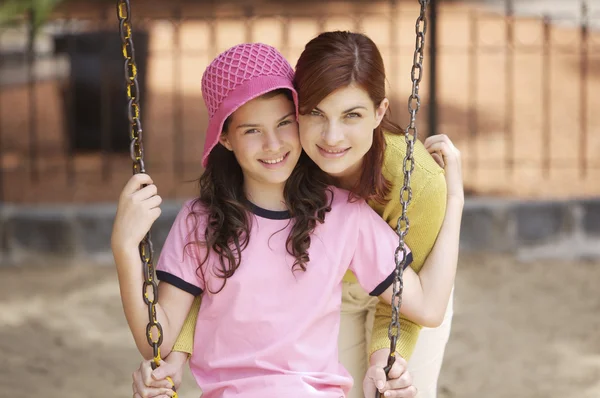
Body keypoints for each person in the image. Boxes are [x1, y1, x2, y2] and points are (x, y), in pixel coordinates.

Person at [123, 39, 463, 398]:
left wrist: (455, 199)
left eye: (283, 123)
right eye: (251, 130)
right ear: (224, 137)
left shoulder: (357, 208)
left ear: (379, 112)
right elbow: (212, 295)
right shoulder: (201, 220)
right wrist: (126, 249)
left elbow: (421, 306)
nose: (273, 144)